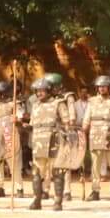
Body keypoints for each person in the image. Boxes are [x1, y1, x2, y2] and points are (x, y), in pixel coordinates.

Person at [26, 78, 72, 210]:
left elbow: (67, 124)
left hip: (54, 142)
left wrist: (67, 141)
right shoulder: (35, 106)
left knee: (57, 172)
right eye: (37, 91)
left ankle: (58, 201)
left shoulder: (58, 103)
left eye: (42, 91)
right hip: (38, 144)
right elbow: (32, 126)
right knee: (36, 173)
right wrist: (19, 124)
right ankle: (37, 200)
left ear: (49, 91)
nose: (39, 93)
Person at [84, 75, 110, 203]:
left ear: (109, 87)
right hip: (95, 135)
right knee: (95, 166)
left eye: (104, 86)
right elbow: (86, 119)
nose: (102, 89)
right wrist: (82, 131)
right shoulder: (92, 101)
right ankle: (95, 190)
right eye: (100, 86)